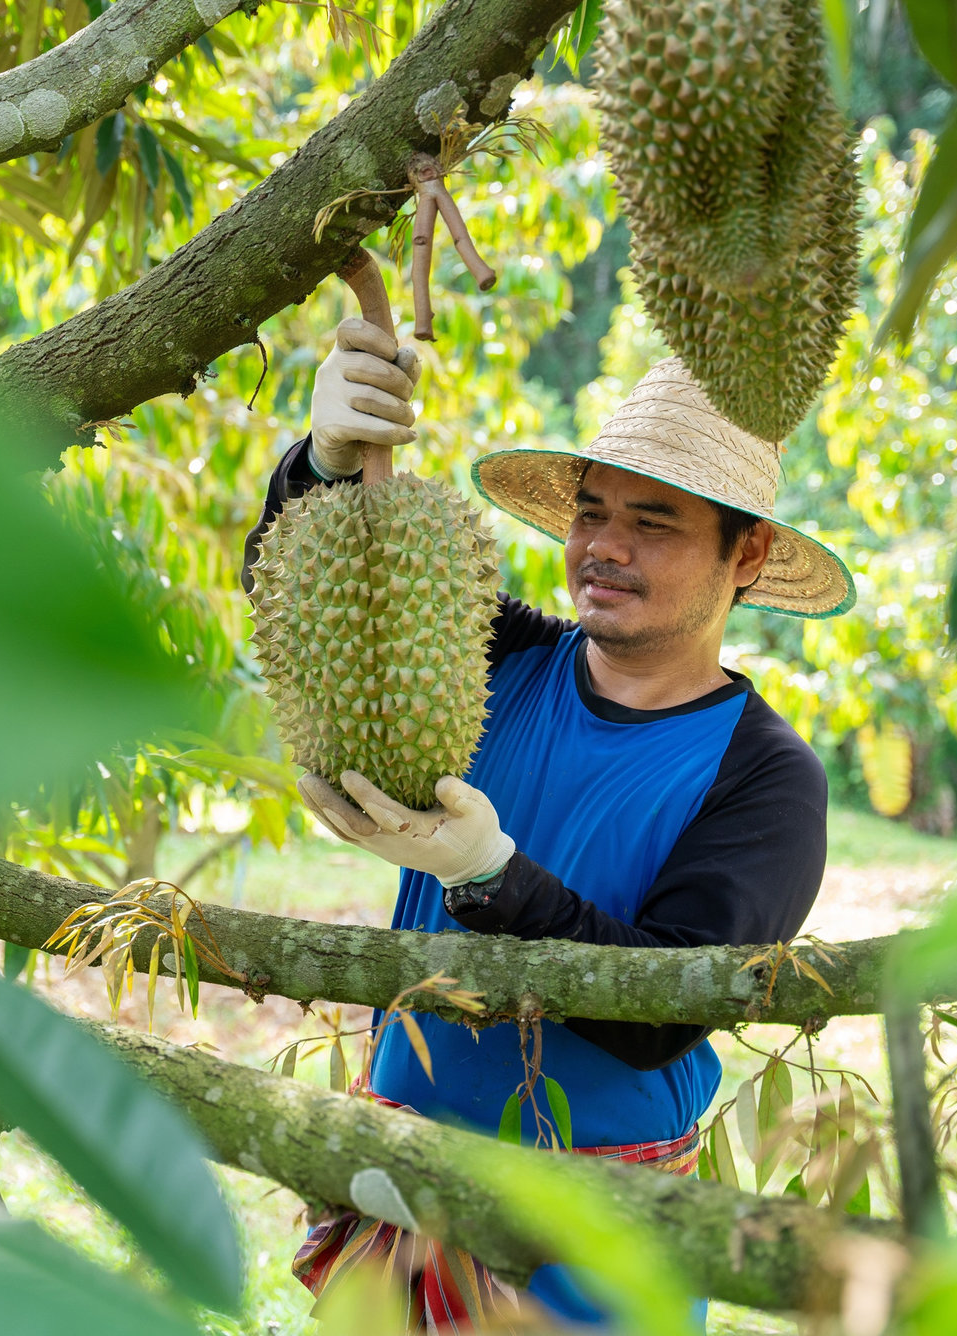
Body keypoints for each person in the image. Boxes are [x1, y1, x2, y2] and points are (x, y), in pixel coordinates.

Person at [242, 318, 858, 1330]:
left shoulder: (765, 777)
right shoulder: (500, 656)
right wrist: (322, 464)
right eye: (589, 512)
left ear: (744, 554)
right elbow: (326, 596)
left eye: (650, 523)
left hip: (597, 1239)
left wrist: (489, 871)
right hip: (401, 1180)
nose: (601, 548)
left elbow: (660, 1015)